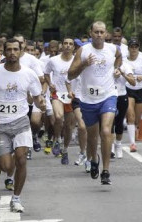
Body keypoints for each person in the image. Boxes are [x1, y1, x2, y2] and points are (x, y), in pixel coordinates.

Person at [0, 38, 45, 213]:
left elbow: (37, 97)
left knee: (22, 160)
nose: (12, 53)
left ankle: (16, 198)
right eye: (8, 49)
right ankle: (0, 164)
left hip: (20, 122)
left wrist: (42, 104)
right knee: (8, 166)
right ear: (4, 51)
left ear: (21, 51)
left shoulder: (29, 73)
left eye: (15, 49)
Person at [68, 21, 122, 185]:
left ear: (106, 34)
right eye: (96, 32)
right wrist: (84, 64)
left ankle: (105, 171)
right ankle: (94, 160)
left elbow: (118, 58)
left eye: (102, 32)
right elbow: (70, 75)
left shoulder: (113, 49)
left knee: (105, 131)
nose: (99, 35)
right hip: (88, 100)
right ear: (90, 33)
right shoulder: (83, 51)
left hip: (108, 95)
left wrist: (117, 68)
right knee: (92, 137)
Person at [44, 37, 75, 164]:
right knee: (58, 116)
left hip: (71, 95)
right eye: (65, 43)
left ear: (73, 47)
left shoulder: (76, 60)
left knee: (68, 126)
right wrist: (50, 83)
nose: (68, 46)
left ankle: (65, 149)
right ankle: (57, 139)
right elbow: (46, 73)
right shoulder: (53, 60)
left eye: (70, 44)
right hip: (57, 94)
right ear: (61, 46)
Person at [111, 55, 135, 158]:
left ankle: (118, 145)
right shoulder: (107, 66)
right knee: (109, 122)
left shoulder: (126, 66)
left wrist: (123, 73)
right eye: (115, 57)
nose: (117, 59)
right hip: (109, 96)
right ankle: (111, 147)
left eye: (118, 57)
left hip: (121, 96)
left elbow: (133, 82)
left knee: (119, 122)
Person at [124, 38, 142, 152]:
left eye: (136, 46)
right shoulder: (124, 60)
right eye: (132, 46)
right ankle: (132, 144)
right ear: (128, 48)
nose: (134, 49)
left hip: (140, 89)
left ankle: (134, 129)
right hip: (128, 88)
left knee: (136, 118)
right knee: (130, 115)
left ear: (138, 47)